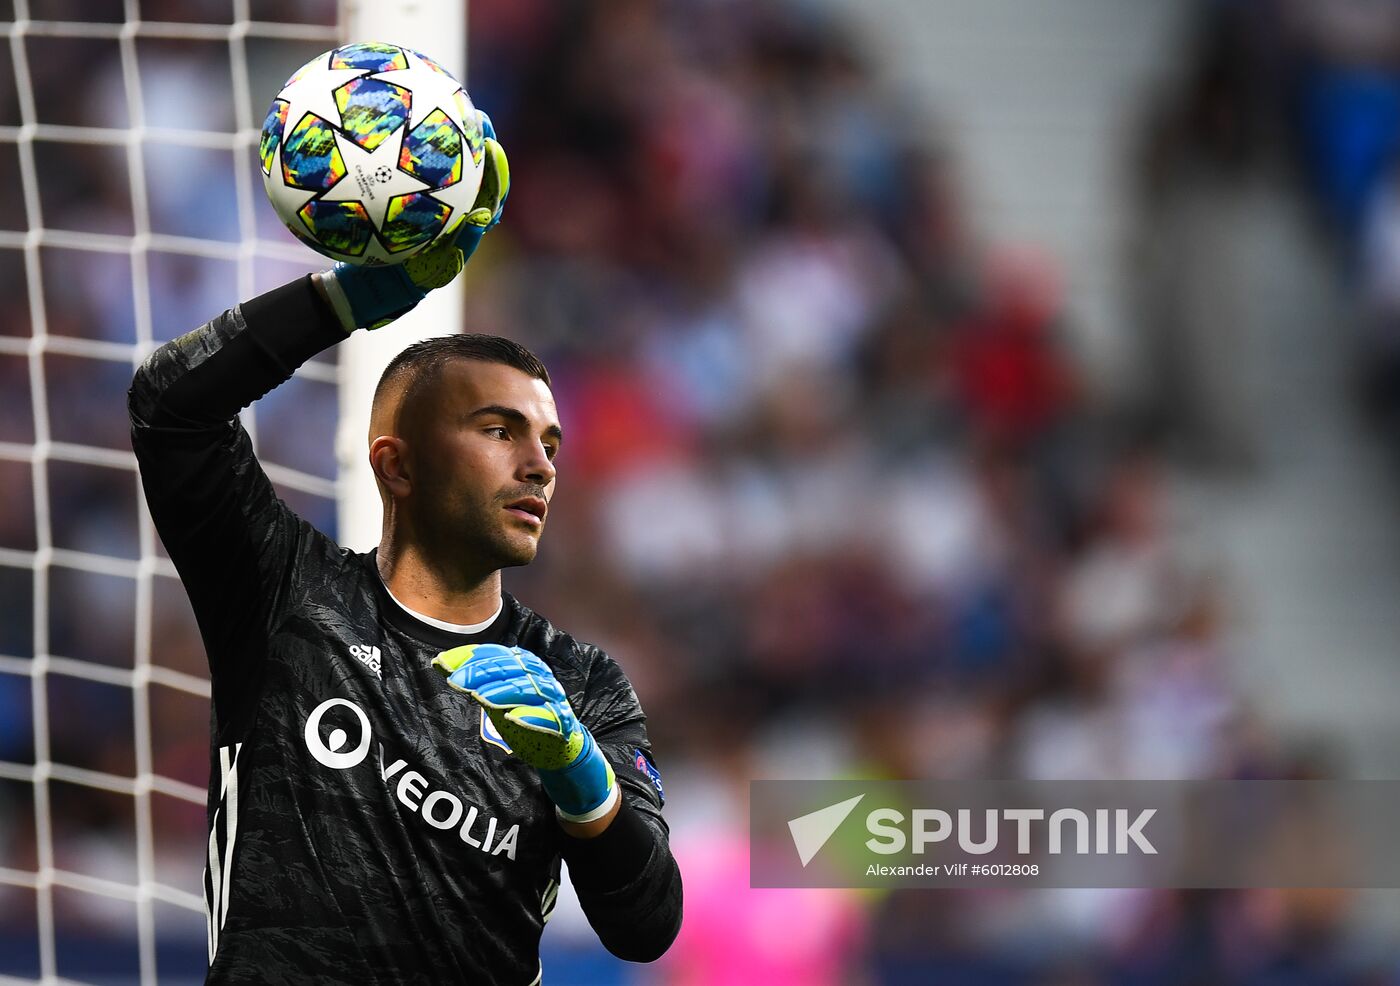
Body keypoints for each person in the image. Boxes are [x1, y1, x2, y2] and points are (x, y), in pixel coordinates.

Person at [127, 115, 682, 984]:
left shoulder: (579, 685)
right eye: (499, 430)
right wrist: (336, 305)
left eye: (549, 441)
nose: (538, 463)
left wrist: (583, 781)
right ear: (397, 463)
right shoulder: (285, 597)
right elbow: (170, 409)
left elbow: (646, 927)